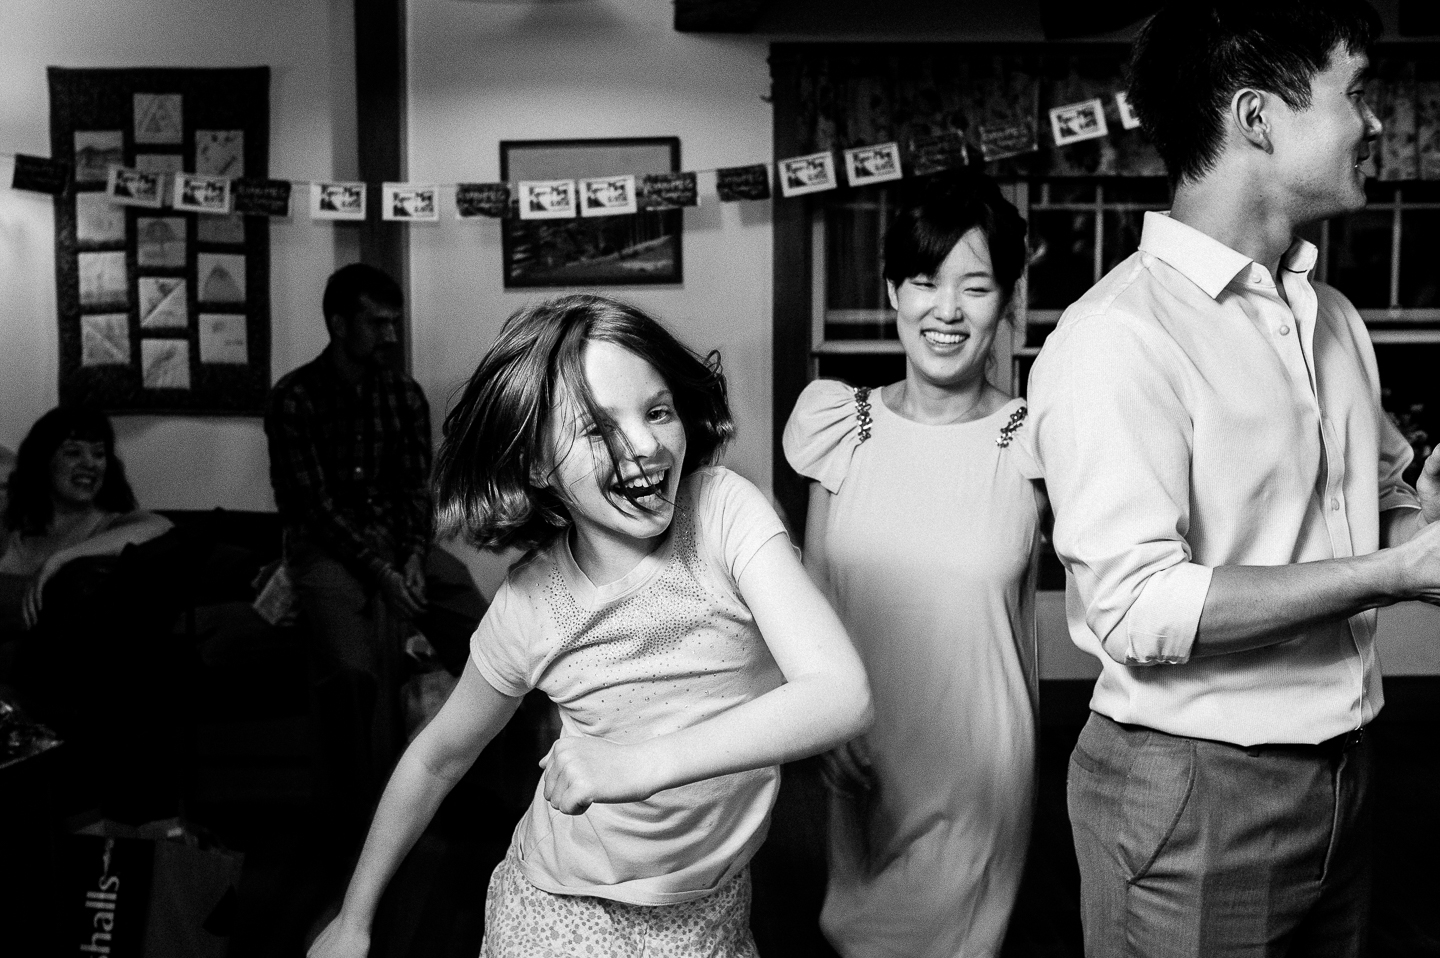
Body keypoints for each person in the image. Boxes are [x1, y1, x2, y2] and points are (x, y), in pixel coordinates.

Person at [1026, 2, 1440, 954]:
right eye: (1355, 95)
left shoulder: (1333, 317)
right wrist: (1395, 575)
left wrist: (1426, 521)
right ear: (1257, 118)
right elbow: (1135, 609)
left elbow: (1380, 506)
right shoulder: (1116, 339)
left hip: (1347, 775)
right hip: (1194, 795)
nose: (1375, 125)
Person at [308, 293, 872, 958]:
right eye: (598, 429)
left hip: (709, 910)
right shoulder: (531, 607)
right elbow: (437, 759)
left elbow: (841, 693)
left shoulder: (724, 514)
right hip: (559, 916)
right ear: (538, 464)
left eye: (658, 411)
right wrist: (355, 918)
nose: (645, 446)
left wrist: (639, 765)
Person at [783, 171, 1041, 958]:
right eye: (925, 282)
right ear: (893, 290)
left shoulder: (1035, 440)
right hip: (859, 752)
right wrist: (825, 722)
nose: (948, 311)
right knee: (856, 931)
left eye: (976, 286)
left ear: (1005, 303)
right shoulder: (841, 425)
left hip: (980, 762)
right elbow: (815, 595)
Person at [264, 263, 437, 839]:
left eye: (394, 323)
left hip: (397, 545)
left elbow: (416, 486)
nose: (390, 336)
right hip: (325, 549)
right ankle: (359, 826)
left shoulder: (404, 395)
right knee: (351, 673)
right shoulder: (293, 397)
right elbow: (311, 507)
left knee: (482, 622)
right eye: (377, 323)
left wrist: (412, 554)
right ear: (339, 324)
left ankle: (486, 802)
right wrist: (382, 572)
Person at [0, 406, 171, 633]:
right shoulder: (12, 521)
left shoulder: (109, 525)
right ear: (43, 461)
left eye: (99, 454)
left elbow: (161, 525)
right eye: (73, 453)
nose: (90, 463)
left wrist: (61, 559)